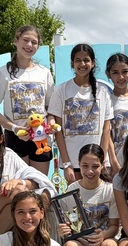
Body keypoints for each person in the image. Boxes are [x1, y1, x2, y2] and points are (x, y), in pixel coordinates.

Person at [0, 25, 55, 175]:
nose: (29, 45)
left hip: (40, 137)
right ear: (16, 41)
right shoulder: (2, 73)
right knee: (19, 188)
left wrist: (51, 123)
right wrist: (14, 128)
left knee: (39, 185)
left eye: (34, 42)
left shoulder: (44, 73)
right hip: (15, 138)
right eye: (25, 40)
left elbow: (51, 109)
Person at [49, 44, 117, 186]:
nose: (82, 64)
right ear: (72, 63)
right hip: (73, 163)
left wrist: (102, 160)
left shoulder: (103, 91)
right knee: (76, 204)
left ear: (92, 63)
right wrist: (67, 163)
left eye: (86, 60)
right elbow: (58, 131)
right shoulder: (61, 90)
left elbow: (106, 130)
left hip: (98, 163)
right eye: (78, 60)